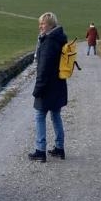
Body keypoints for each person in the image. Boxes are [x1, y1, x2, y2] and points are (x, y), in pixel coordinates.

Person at [29, 11, 67, 162]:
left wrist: (37, 90)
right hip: (58, 85)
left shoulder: (48, 42)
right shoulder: (59, 38)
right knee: (56, 115)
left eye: (43, 24)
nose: (40, 26)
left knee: (39, 116)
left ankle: (40, 150)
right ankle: (59, 148)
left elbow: (43, 69)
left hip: (47, 87)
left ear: (50, 25)